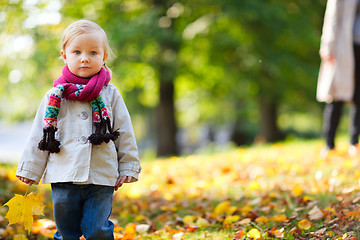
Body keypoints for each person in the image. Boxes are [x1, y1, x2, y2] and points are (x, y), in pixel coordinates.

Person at [16, 20, 141, 240]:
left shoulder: (110, 94)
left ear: (103, 57)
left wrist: (128, 165)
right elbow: (39, 134)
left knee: (97, 229)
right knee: (66, 231)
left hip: (101, 174)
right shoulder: (54, 96)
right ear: (64, 55)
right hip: (64, 173)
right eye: (77, 51)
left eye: (93, 52)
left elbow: (124, 131)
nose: (85, 57)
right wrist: (30, 169)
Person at [317, 0, 360, 157]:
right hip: (344, 46)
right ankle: (329, 144)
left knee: (359, 96)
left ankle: (354, 142)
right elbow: (332, 17)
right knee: (336, 96)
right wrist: (328, 45)